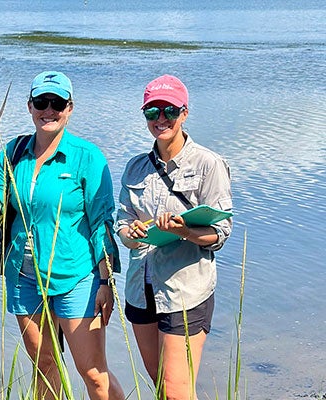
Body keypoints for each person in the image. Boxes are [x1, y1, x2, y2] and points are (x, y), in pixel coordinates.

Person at [0, 71, 125, 400]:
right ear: (30, 106)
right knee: (45, 365)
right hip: (24, 277)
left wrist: (107, 282)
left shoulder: (87, 157)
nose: (48, 109)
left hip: (77, 277)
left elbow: (102, 224)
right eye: (42, 102)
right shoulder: (14, 152)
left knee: (93, 373)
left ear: (70, 108)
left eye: (57, 103)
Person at [116, 75, 233, 400]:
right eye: (152, 112)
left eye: (169, 110)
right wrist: (131, 232)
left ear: (184, 112)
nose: (161, 119)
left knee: (177, 391)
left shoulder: (208, 164)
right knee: (160, 388)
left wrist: (183, 230)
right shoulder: (135, 167)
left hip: (186, 291)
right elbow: (122, 224)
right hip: (141, 289)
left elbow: (220, 233)